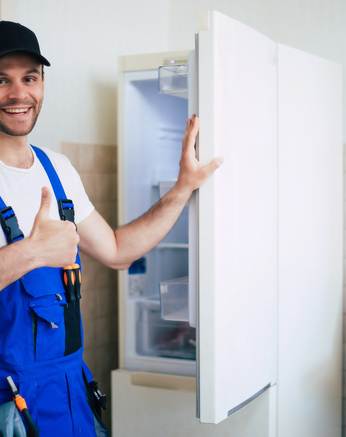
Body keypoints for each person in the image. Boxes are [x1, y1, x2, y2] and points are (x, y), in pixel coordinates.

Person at [0, 20, 223, 437]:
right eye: (1, 80)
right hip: (7, 405)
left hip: (68, 393)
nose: (18, 93)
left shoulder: (57, 170)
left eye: (29, 78)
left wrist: (183, 187)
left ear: (43, 83)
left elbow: (119, 251)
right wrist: (31, 253)